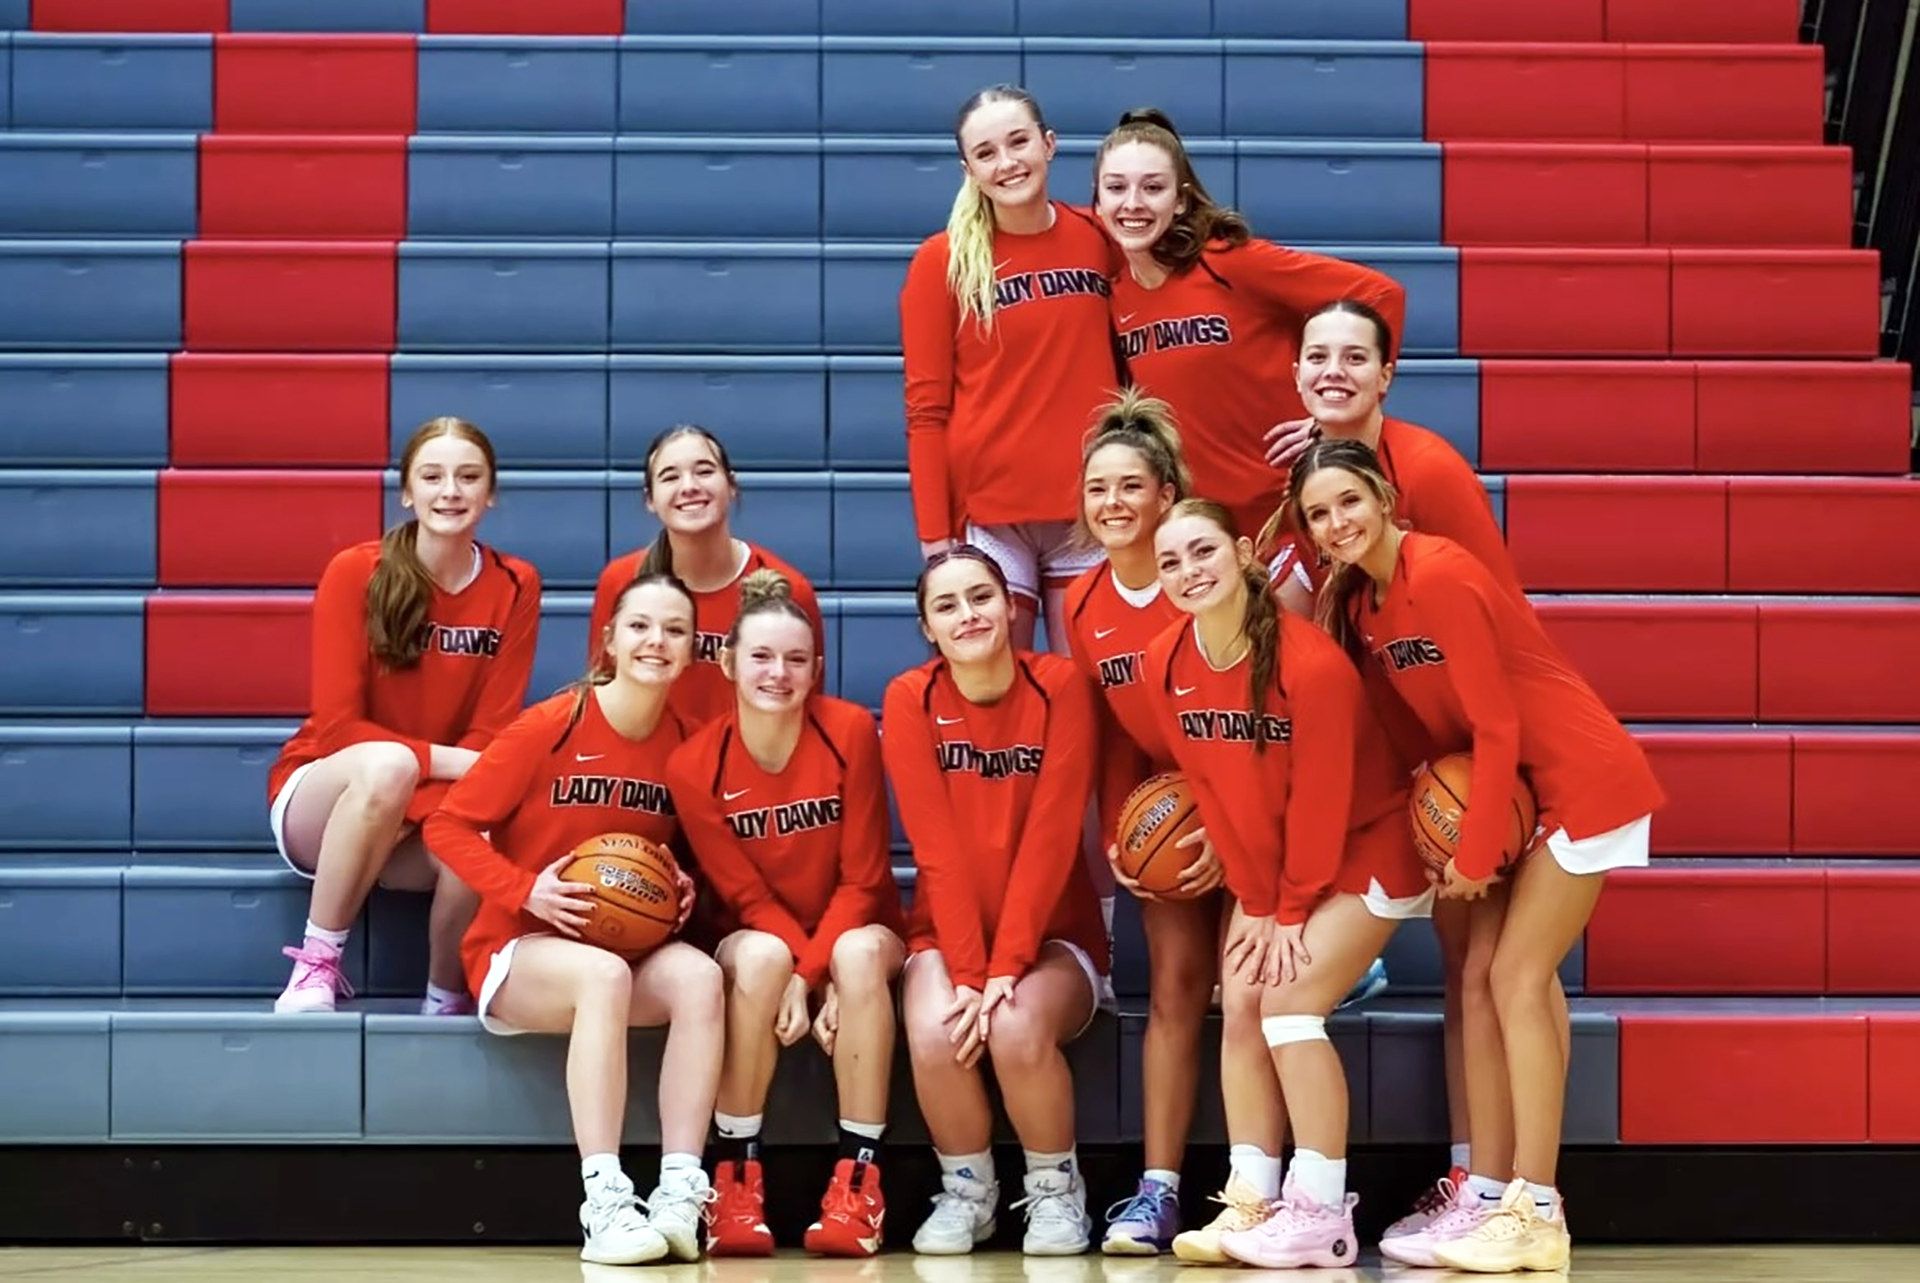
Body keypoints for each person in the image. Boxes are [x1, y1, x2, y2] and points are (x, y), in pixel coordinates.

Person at [1290, 439, 1666, 1273]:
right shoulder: (1365, 604)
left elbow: (1496, 724)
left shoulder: (1443, 572)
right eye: (1318, 513)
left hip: (1582, 777)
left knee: (1514, 979)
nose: (1336, 521)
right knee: (1487, 982)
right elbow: (1427, 735)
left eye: (1348, 500)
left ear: (1386, 495)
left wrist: (1471, 838)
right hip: (1515, 791)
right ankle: (1491, 1194)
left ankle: (1539, 1206)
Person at [1263, 298, 1524, 1240]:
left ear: (1387, 375)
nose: (1332, 369)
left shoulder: (1429, 471)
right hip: (1409, 756)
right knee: (1466, 971)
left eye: (1353, 356)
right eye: (1315, 355)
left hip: (1476, 747)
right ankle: (1471, 1178)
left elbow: (1497, 623)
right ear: (1295, 375)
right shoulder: (1310, 482)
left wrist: (1498, 785)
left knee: (1490, 972)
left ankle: (1497, 1188)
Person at [1141, 498, 1432, 1268]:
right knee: (1238, 993)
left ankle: (1321, 1208)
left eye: (1202, 552)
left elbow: (1323, 800)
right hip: (1281, 870)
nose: (1187, 572)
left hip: (1372, 845)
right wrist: (1257, 900)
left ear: (1243, 554)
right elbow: (1211, 788)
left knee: (1288, 1002)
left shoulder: (1310, 664)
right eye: (1170, 561)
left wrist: (1285, 909)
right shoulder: (1163, 662)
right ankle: (1252, 1195)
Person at [422, 571, 723, 1267]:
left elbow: (697, 858)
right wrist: (527, 889)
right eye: (641, 625)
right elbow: (448, 826)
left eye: (675, 630)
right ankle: (605, 1200)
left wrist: (682, 885)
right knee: (603, 976)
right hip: (518, 949)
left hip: (621, 944)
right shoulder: (552, 723)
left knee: (701, 978)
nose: (657, 640)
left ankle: (680, 1190)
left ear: (692, 650)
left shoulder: (690, 742)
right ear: (610, 638)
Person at [1059, 390, 1262, 1255]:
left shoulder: (1209, 579)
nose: (1113, 503)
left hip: (1251, 799)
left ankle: (1265, 1188)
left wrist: (1234, 822)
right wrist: (1120, 840)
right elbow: (1108, 734)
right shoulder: (1080, 602)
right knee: (1178, 989)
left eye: (1131, 486)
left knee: (1254, 996)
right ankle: (1160, 1190)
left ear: (1166, 492)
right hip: (1168, 816)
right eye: (1097, 487)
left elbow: (1262, 718)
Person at [665, 570, 908, 1258]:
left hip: (860, 929)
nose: (779, 673)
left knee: (857, 953)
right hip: (765, 939)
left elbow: (863, 880)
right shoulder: (694, 763)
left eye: (796, 659)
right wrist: (800, 972)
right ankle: (735, 1179)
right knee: (763, 956)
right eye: (763, 657)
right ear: (728, 661)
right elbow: (748, 898)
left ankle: (860, 1184)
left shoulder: (850, 730)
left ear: (817, 668)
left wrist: (815, 973)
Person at [266, 416, 539, 1016]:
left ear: (490, 492)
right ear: (407, 492)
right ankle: (316, 965)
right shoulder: (356, 571)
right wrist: (435, 778)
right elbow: (339, 729)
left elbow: (491, 732)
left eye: (469, 477)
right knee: (387, 767)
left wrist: (423, 812)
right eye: (433, 477)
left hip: (426, 811)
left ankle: (445, 995)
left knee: (486, 833)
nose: (451, 491)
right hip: (328, 797)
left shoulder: (517, 585)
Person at [882, 547, 1110, 1256]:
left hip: (1055, 936)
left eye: (980, 596)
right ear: (928, 626)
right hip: (949, 936)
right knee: (934, 1028)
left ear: (1012, 605)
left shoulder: (1059, 684)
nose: (968, 614)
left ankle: (1054, 1188)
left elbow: (1050, 837)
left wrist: (1004, 967)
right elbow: (937, 852)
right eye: (946, 605)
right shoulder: (909, 697)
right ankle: (968, 1191)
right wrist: (974, 973)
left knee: (1010, 1026)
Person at [1092, 108, 1405, 541]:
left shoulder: (1229, 263)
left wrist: (1335, 417)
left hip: (1290, 518)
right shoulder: (1115, 296)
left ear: (1180, 199)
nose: (1133, 203)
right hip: (1204, 529)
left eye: (1153, 188)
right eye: (1116, 188)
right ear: (1097, 201)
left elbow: (1381, 295)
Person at [901, 83, 1122, 654]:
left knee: (1090, 693)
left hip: (1090, 508)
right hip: (993, 516)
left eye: (1019, 142)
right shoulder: (941, 261)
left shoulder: (1100, 239)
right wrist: (935, 539)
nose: (1007, 162)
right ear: (968, 169)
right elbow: (926, 410)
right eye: (986, 152)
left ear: (1049, 145)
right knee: (1002, 689)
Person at [590, 423, 824, 727]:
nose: (689, 486)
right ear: (650, 499)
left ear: (732, 485)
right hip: (650, 769)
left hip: (747, 767)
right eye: (670, 476)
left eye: (704, 471)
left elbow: (805, 713)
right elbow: (604, 692)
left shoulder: (790, 590)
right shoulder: (622, 581)